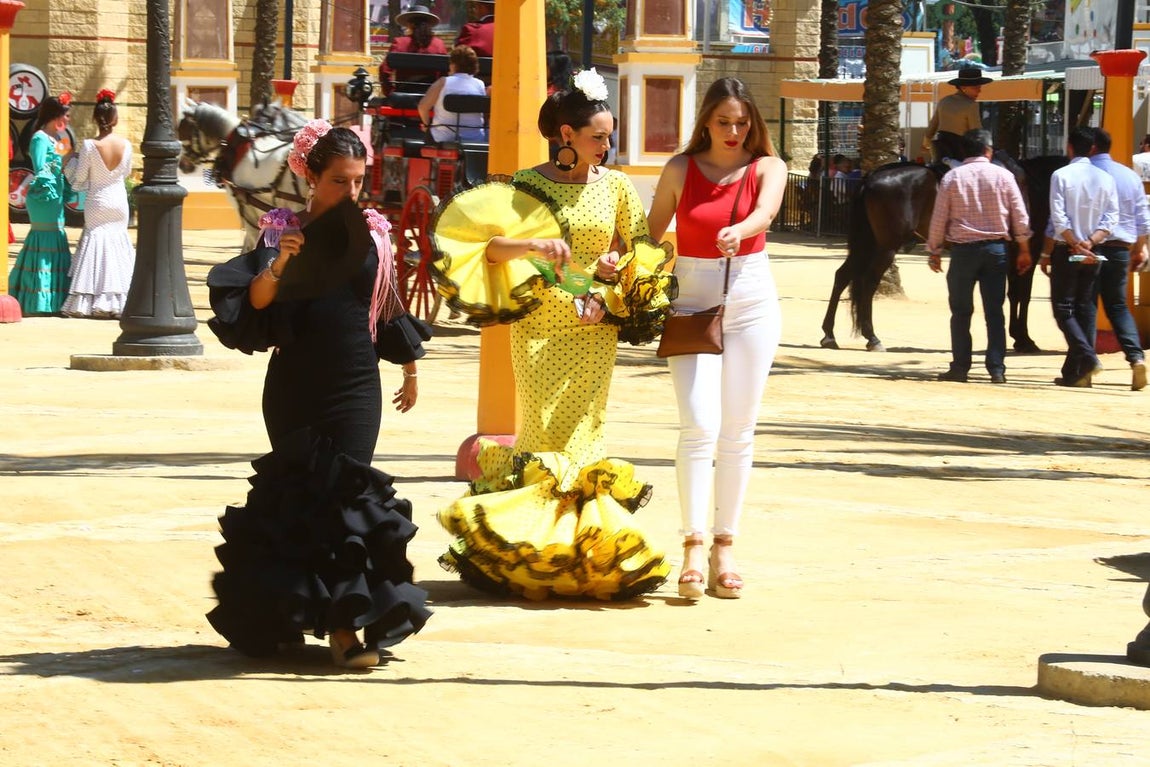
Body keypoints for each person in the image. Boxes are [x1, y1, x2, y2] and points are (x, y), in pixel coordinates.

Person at [431, 68, 675, 601]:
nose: (607, 146)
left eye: (610, 136)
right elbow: (489, 249)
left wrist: (617, 270)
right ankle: (535, 554)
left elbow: (644, 246)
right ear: (566, 134)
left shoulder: (615, 187)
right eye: (598, 136)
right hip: (540, 326)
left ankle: (576, 559)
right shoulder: (526, 184)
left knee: (586, 436)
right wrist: (532, 248)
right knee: (543, 434)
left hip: (595, 326)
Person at [204, 122, 432, 668]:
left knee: (349, 502)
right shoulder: (281, 230)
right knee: (296, 498)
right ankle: (280, 620)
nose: (350, 193)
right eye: (338, 181)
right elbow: (257, 302)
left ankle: (344, 629)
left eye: (358, 182)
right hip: (294, 387)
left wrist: (409, 367)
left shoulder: (374, 233)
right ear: (310, 176)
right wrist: (282, 261)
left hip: (356, 385)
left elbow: (389, 304)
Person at [646, 77, 788, 600]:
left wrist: (742, 227)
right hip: (691, 301)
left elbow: (766, 212)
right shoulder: (680, 169)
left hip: (751, 298)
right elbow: (651, 230)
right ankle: (690, 544)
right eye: (724, 121)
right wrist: (625, 257)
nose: (733, 131)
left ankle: (724, 545)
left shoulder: (768, 166)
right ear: (705, 120)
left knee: (738, 429)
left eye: (743, 122)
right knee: (697, 424)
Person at [926, 129, 1032, 384]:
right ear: (989, 150)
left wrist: (934, 250)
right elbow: (1019, 214)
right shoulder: (1004, 176)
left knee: (961, 311)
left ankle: (960, 366)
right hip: (996, 250)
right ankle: (996, 368)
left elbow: (939, 218)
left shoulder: (952, 178)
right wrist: (1024, 248)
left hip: (963, 252)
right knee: (995, 311)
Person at [1042, 126, 1119, 388]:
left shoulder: (1061, 175)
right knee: (1085, 307)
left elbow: (1058, 216)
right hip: (1094, 250)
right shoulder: (1105, 178)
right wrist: (1090, 243)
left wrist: (1076, 245)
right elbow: (1111, 218)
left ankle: (1087, 358)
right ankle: (1077, 371)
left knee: (1063, 308)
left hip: (1069, 251)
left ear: (1070, 147)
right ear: (1093, 149)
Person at [60, 89, 135, 319]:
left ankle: (89, 301)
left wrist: (68, 163)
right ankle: (121, 299)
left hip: (97, 200)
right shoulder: (127, 145)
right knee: (118, 245)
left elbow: (80, 178)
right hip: (118, 200)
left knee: (96, 245)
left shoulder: (90, 146)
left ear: (95, 118)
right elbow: (127, 173)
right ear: (115, 119)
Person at [1087, 127, 1150, 391]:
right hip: (1120, 248)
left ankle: (1085, 364)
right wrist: (1141, 247)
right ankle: (1136, 357)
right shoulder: (1128, 175)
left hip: (1087, 248)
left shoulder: (1080, 173)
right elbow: (1141, 214)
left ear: (1089, 147)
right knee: (1118, 306)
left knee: (1085, 305)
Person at [7, 94, 73, 315]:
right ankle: (37, 299)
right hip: (43, 195)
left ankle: (55, 300)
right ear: (56, 116)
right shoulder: (39, 138)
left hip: (57, 194)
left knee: (58, 236)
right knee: (46, 237)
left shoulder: (57, 138)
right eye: (67, 114)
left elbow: (58, 167)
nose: (69, 118)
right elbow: (39, 168)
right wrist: (60, 161)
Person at [418, 45, 488, 144]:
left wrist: (427, 125)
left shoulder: (443, 82)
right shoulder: (480, 84)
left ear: (453, 65)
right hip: (474, 139)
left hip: (443, 138)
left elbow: (422, 107)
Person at [922, 67, 990, 164]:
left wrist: (926, 145)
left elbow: (931, 128)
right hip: (961, 153)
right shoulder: (971, 105)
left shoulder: (944, 101)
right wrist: (986, 148)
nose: (979, 91)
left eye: (979, 87)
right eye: (976, 88)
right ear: (963, 88)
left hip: (940, 152)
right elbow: (977, 132)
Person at [379, 3, 447, 95]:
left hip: (403, 95)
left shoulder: (399, 43)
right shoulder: (439, 44)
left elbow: (384, 70)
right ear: (429, 25)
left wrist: (390, 92)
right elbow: (445, 73)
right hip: (432, 96)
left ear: (410, 24)